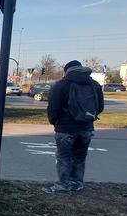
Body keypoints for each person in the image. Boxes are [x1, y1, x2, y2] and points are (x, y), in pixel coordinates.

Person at [44, 60, 104, 193]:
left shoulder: (62, 85)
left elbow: (53, 108)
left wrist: (55, 122)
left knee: (64, 157)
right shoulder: (94, 85)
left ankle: (63, 185)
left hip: (66, 128)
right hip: (86, 127)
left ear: (67, 71)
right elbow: (99, 107)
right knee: (80, 157)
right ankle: (77, 183)